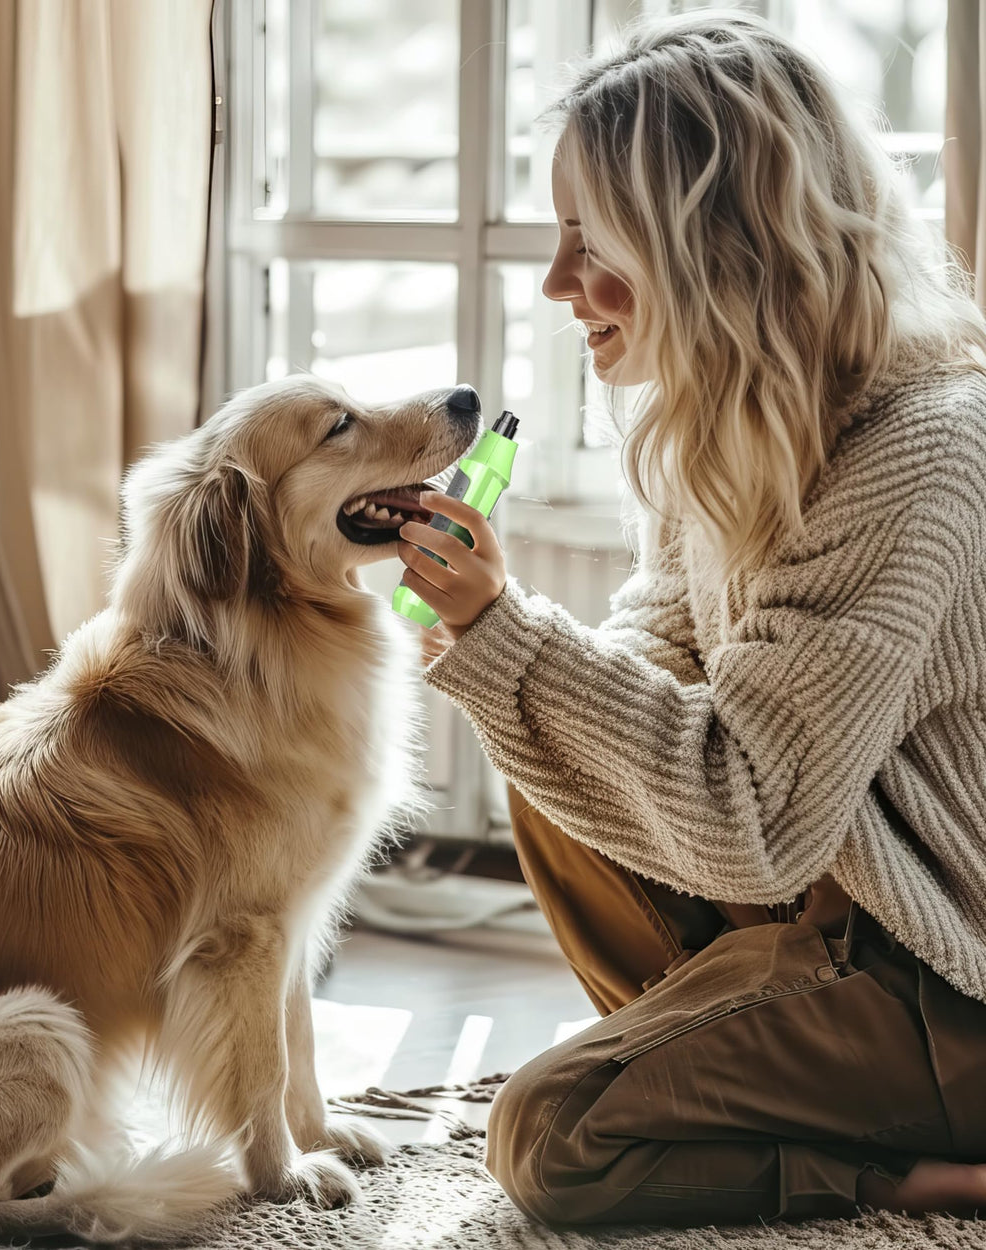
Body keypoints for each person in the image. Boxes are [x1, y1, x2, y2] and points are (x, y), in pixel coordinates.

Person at [395, 7, 986, 1229]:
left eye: (588, 241)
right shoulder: (726, 423)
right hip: (836, 897)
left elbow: (755, 820)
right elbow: (650, 657)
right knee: (554, 766)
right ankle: (718, 1068)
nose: (558, 283)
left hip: (944, 967)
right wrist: (496, 641)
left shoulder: (920, 456)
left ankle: (904, 1171)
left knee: (550, 1137)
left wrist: (508, 627)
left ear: (715, 246)